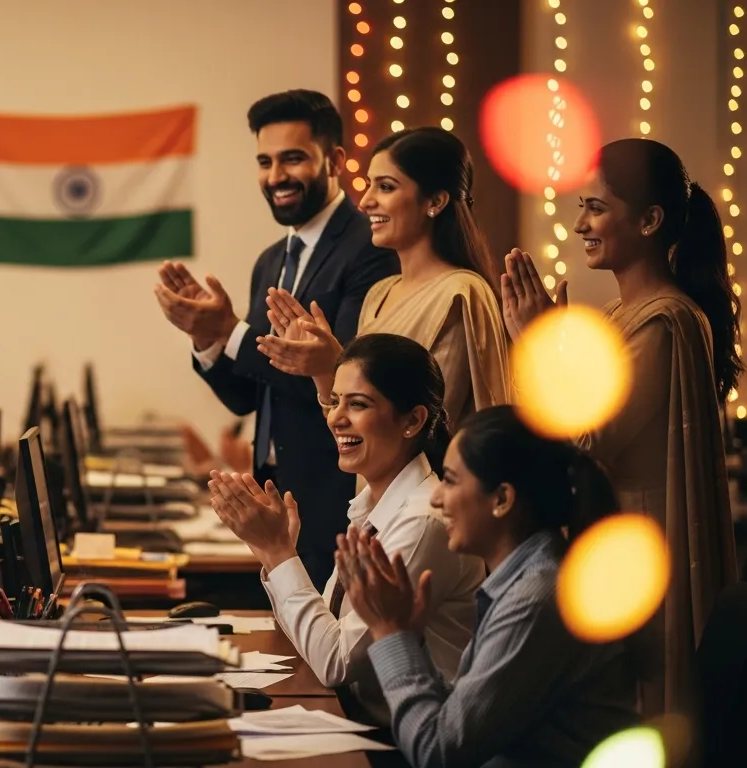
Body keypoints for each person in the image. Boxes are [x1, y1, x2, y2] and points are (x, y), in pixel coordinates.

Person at [501, 137, 740, 715]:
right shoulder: (619, 315)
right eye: (581, 205)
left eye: (597, 208)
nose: (580, 222)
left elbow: (583, 441)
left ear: (650, 220)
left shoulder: (666, 322)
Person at [154, 89, 398, 584]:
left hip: (333, 492)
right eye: (264, 161)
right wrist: (208, 340)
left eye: (293, 159)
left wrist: (231, 331)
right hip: (275, 497)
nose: (275, 177)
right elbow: (246, 396)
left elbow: (342, 377)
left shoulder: (367, 249)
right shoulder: (271, 260)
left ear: (333, 160)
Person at [340, 406, 639, 766]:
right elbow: (458, 718)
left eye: (450, 480)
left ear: (501, 500)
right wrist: (408, 638)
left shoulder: (536, 598)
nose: (436, 498)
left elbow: (438, 752)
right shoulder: (527, 579)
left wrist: (389, 633)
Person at [209, 334, 482, 724]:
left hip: (406, 742)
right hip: (361, 719)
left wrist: (278, 552)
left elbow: (334, 662)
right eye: (335, 401)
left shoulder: (424, 519)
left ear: (413, 421)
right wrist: (274, 551)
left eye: (357, 404)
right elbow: (321, 639)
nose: (336, 418)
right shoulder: (374, 505)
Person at [260, 127, 509, 432]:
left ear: (436, 201)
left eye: (386, 187)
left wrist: (335, 364)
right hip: (372, 480)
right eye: (369, 185)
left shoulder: (460, 293)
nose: (364, 202)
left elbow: (432, 428)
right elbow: (348, 428)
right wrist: (324, 372)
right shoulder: (379, 294)